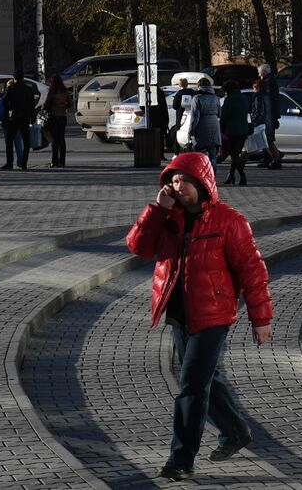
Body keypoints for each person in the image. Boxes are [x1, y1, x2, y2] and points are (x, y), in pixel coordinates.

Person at [126, 152, 274, 482]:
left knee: (191, 387)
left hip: (213, 316)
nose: (178, 187)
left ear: (202, 183)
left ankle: (181, 459)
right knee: (206, 380)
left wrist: (260, 317)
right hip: (179, 314)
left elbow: (253, 271)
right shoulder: (167, 218)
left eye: (184, 181)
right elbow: (138, 246)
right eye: (173, 181)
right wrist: (157, 210)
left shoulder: (229, 221)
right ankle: (236, 431)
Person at [0, 75, 37, 170]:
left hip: (14, 118)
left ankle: (9, 163)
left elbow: (5, 103)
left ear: (15, 78)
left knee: (9, 142)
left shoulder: (11, 89)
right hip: (25, 118)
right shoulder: (28, 90)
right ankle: (24, 163)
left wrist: (7, 116)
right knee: (26, 142)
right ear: (23, 78)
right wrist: (33, 117)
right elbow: (32, 105)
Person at [219, 81, 251, 186]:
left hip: (232, 130)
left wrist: (221, 129)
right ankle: (231, 176)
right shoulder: (243, 98)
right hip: (243, 129)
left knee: (234, 154)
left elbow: (224, 116)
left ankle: (242, 176)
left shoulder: (229, 99)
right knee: (235, 154)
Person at [187, 77, 223, 167]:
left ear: (199, 86)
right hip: (214, 125)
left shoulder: (197, 98)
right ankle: (212, 176)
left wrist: (190, 131)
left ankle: (200, 176)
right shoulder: (216, 98)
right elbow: (219, 113)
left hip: (202, 126)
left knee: (199, 155)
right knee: (212, 156)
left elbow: (195, 117)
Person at [253, 65, 283, 169]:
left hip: (267, 118)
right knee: (266, 139)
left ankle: (275, 158)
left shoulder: (267, 84)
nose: (258, 75)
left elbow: (264, 107)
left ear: (264, 72)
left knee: (267, 140)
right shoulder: (269, 82)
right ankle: (270, 158)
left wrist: (255, 120)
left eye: (259, 72)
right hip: (269, 116)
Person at [41, 76, 71, 168]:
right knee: (61, 139)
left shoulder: (52, 92)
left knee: (53, 139)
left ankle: (54, 161)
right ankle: (62, 161)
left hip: (54, 116)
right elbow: (69, 104)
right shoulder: (65, 92)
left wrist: (44, 108)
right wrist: (62, 106)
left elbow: (47, 104)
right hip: (63, 116)